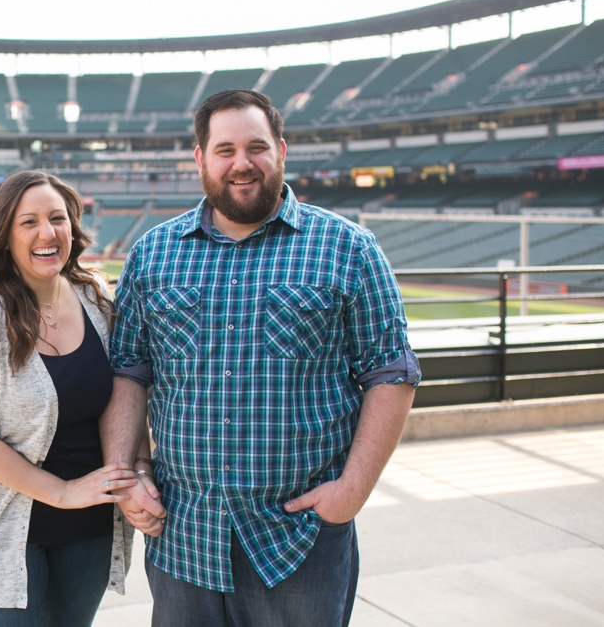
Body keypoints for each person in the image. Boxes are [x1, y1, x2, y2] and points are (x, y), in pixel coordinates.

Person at [100, 89, 421, 627]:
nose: (241, 163)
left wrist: (352, 490)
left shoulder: (349, 248)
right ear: (200, 158)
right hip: (183, 535)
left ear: (281, 151)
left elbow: (391, 372)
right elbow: (129, 371)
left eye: (256, 147)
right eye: (224, 149)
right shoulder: (153, 252)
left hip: (298, 540)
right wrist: (127, 475)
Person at [0, 170, 147, 627]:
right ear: (6, 236)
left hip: (89, 526)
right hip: (5, 529)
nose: (47, 233)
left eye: (57, 218)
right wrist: (63, 492)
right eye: (28, 222)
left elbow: (127, 391)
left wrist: (136, 473)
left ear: (73, 227)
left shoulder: (95, 296)